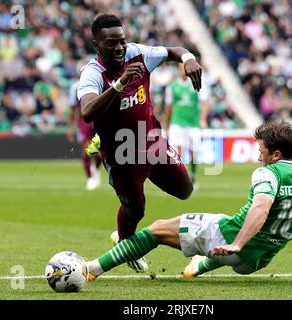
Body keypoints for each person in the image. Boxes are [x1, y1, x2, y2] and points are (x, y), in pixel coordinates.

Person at [85, 120, 292, 282]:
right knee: (222, 227)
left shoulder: (268, 174)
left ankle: (91, 269)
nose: (258, 155)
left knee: (157, 229)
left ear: (276, 155)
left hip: (233, 240)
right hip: (258, 261)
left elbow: (261, 207)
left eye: (261, 149)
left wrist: (238, 242)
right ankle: (199, 265)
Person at [77, 14, 202, 272]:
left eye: (122, 41)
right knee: (136, 211)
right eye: (111, 43)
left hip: (152, 141)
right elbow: (87, 111)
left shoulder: (138, 53)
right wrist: (120, 84)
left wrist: (188, 59)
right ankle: (125, 243)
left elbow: (173, 51)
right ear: (96, 46)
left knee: (185, 190)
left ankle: (128, 240)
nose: (120, 48)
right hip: (121, 155)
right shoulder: (92, 73)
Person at [164, 64, 209, 189]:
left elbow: (204, 102)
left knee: (193, 151)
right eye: (180, 68)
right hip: (177, 123)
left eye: (184, 69)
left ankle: (193, 175)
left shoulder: (197, 84)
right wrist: (167, 125)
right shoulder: (172, 86)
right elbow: (168, 107)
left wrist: (203, 119)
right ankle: (178, 178)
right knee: (177, 152)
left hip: (193, 123)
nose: (183, 71)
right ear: (178, 70)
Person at [67, 72, 102, 191]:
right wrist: (70, 128)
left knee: (99, 152)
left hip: (98, 120)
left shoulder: (99, 81)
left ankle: (95, 169)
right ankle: (90, 177)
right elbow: (72, 109)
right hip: (84, 122)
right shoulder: (75, 87)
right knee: (87, 149)